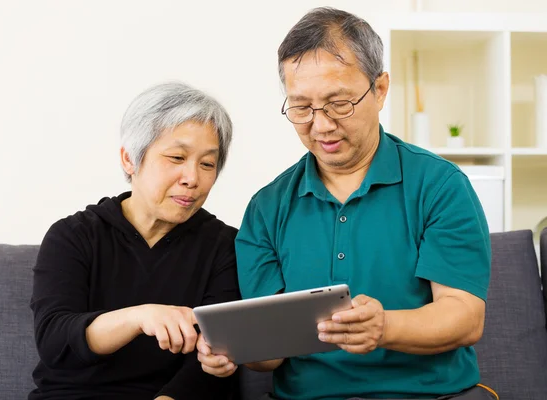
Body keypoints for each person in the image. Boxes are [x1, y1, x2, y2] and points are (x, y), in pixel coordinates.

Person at [197, 7, 497, 400]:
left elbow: (464, 317)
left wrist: (384, 327)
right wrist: (233, 350)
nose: (321, 125)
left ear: (380, 89)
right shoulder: (267, 207)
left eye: (339, 103)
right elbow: (266, 358)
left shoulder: (440, 185)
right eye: (301, 107)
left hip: (430, 397)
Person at [29, 82, 240, 400]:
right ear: (130, 160)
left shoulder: (225, 246)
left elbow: (211, 362)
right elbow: (55, 341)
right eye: (176, 157)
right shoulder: (73, 235)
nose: (192, 178)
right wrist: (138, 317)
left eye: (207, 164)